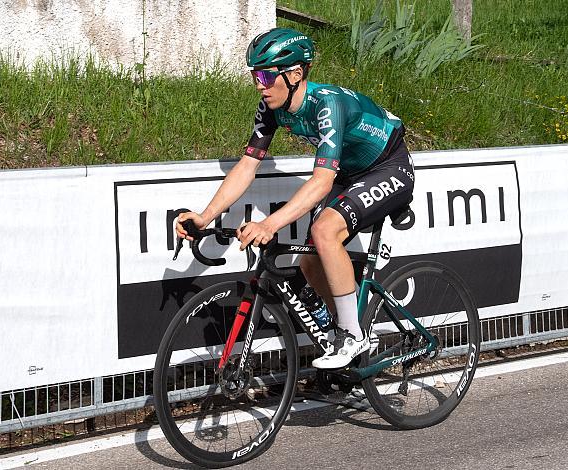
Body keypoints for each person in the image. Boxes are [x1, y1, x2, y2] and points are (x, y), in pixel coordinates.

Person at [176, 28, 414, 369]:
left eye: (265, 75)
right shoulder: (271, 107)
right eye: (254, 75)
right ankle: (350, 335)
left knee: (324, 232)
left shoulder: (327, 104)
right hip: (349, 173)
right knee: (309, 261)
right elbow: (247, 166)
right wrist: (205, 215)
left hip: (388, 165)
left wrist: (270, 223)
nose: (259, 84)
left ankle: (353, 336)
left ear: (295, 74)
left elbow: (320, 181)